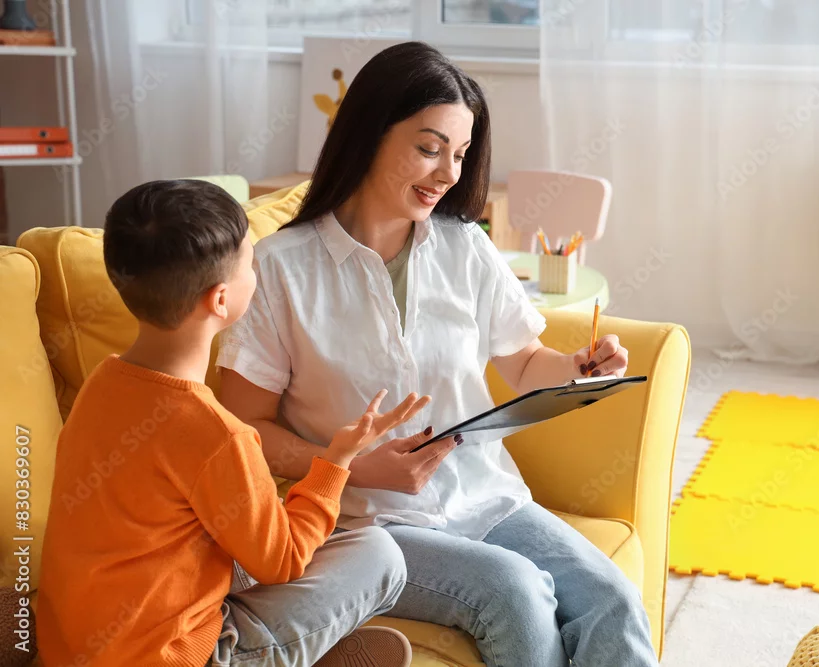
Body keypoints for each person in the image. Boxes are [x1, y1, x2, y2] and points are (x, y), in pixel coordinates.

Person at [217, 42, 660, 667]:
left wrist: (576, 368)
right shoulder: (280, 270)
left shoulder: (465, 248)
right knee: (515, 591)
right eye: (430, 148)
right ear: (369, 133)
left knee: (612, 598)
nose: (449, 173)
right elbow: (242, 431)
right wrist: (354, 467)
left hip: (484, 494)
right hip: (366, 524)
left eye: (460, 153)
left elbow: (524, 361)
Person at [35, 179, 424, 667]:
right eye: (250, 262)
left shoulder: (102, 383)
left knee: (237, 546)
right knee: (377, 554)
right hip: (173, 656)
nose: (256, 272)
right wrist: (336, 460)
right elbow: (283, 560)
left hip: (69, 647)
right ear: (221, 300)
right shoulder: (219, 434)